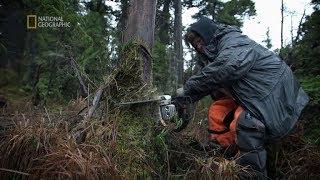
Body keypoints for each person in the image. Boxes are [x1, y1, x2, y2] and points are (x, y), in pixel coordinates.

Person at [177, 17, 309, 179]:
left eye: (199, 39)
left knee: (245, 121)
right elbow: (207, 81)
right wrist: (183, 99)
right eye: (194, 44)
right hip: (256, 94)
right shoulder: (210, 55)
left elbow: (229, 66)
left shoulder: (232, 39)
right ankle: (223, 148)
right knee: (218, 109)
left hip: (277, 93)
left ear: (208, 33)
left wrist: (187, 89)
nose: (198, 45)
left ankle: (252, 173)